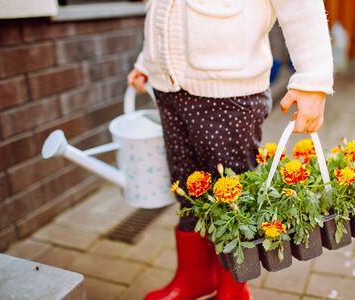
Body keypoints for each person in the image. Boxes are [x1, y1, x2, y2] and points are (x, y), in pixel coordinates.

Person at [128, 0, 333, 299]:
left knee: (232, 199)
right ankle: (195, 277)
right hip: (169, 90)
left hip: (230, 94)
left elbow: (300, 7)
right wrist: (148, 62)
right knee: (188, 190)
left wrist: (313, 80)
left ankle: (233, 289)